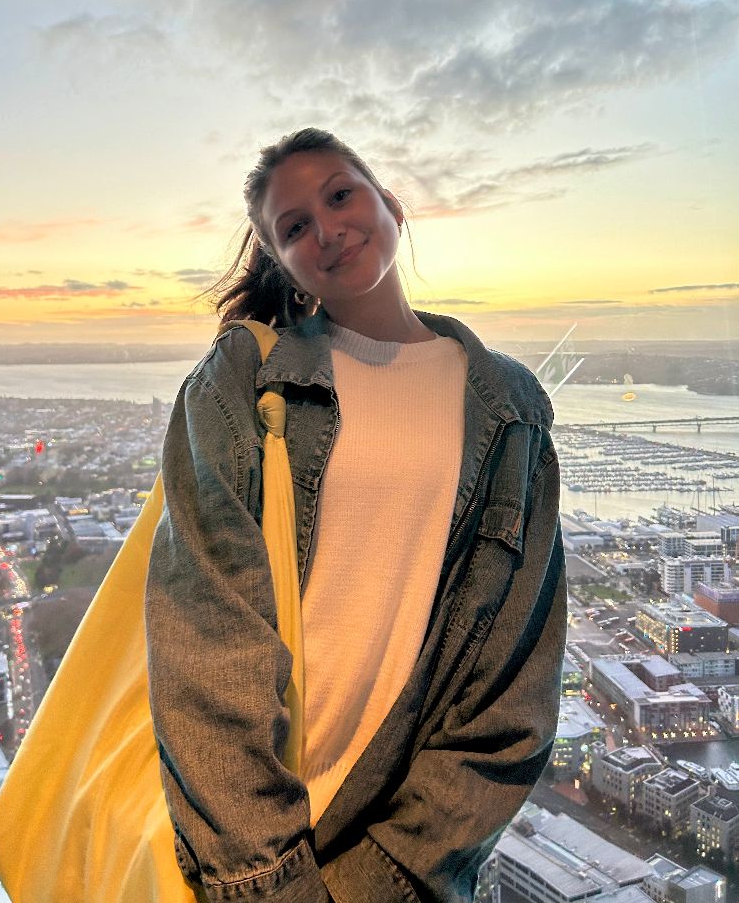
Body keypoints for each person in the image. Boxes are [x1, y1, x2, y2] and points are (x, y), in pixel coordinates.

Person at [144, 128, 567, 903]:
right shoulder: (245, 377)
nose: (327, 229)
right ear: (281, 260)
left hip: (393, 844)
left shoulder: (512, 412)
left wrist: (388, 877)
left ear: (391, 206)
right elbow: (206, 638)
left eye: (341, 195)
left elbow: (513, 690)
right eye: (294, 226)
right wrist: (268, 879)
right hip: (239, 840)